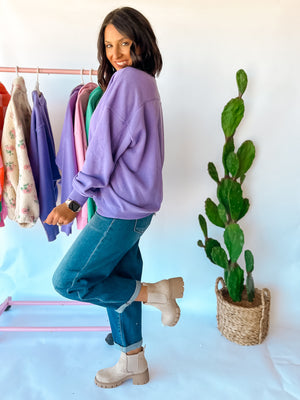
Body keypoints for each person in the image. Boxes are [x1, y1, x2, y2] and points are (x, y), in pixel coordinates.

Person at [45, 7, 184, 389]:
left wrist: (72, 201)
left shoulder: (125, 83)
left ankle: (155, 293)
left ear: (141, 41)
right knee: (118, 278)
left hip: (119, 209)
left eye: (125, 42)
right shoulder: (147, 83)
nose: (116, 53)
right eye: (109, 45)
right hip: (138, 208)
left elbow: (101, 155)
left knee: (69, 280)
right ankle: (133, 360)